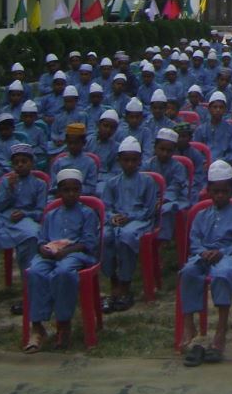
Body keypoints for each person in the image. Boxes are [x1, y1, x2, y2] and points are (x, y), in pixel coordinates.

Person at [179, 159, 232, 366]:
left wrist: (221, 251)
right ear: (209, 190)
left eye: (224, 191)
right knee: (189, 272)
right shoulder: (200, 215)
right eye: (216, 191)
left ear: (231, 191)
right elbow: (195, 241)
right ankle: (189, 325)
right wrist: (203, 252)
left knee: (222, 275)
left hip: (229, 256)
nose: (220, 196)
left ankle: (221, 328)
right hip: (203, 255)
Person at [24, 168, 99, 353]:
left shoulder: (87, 213)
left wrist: (66, 251)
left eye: (75, 190)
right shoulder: (51, 215)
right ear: (59, 192)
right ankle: (37, 325)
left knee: (63, 272)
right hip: (51, 254)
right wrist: (44, 249)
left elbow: (88, 243)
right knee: (35, 271)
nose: (71, 194)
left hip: (75, 254)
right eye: (66, 190)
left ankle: (63, 323)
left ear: (81, 190)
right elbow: (41, 240)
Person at [100, 137, 160, 313]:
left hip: (139, 221)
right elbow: (106, 207)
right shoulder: (111, 183)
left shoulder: (147, 181)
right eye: (126, 160)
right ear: (119, 161)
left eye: (134, 160)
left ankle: (125, 284)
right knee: (105, 237)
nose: (130, 164)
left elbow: (149, 209)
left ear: (140, 161)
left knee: (126, 236)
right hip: (117, 221)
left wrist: (130, 217)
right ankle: (113, 281)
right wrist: (113, 218)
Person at [0, 143, 48, 301]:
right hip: (3, 217)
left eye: (24, 161)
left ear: (31, 163)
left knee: (32, 234)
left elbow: (41, 212)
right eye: (16, 162)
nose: (20, 165)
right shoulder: (6, 181)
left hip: (26, 218)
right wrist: (10, 190)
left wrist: (25, 213)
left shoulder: (40, 184)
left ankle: (28, 280)